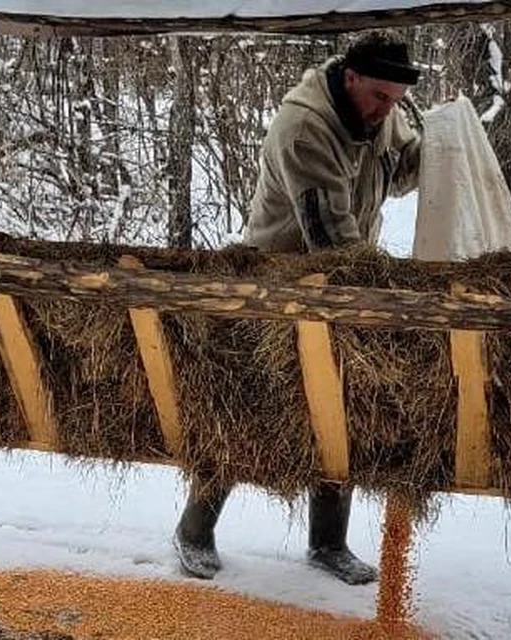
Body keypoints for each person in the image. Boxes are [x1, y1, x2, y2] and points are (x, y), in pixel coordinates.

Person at [173, 30, 422, 586]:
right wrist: (381, 296)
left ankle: (328, 543)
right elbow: (330, 239)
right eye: (379, 98)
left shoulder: (385, 111)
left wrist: (448, 149)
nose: (387, 112)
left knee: (341, 407)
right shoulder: (304, 126)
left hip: (344, 280)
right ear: (351, 78)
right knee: (245, 408)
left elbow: (403, 171)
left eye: (396, 101)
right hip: (273, 283)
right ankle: (195, 530)